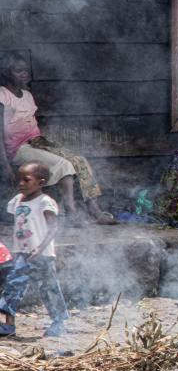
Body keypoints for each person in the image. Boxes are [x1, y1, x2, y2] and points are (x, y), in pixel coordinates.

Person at [0, 53, 114, 224]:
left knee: (79, 160)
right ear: (7, 73)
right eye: (18, 71)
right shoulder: (2, 95)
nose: (24, 74)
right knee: (64, 165)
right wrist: (6, 165)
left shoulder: (27, 95)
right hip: (18, 149)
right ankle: (71, 213)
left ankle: (94, 210)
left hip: (37, 142)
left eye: (25, 70)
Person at [0, 163, 69, 337]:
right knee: (12, 287)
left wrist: (40, 247)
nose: (21, 183)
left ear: (41, 182)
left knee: (49, 288)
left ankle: (58, 322)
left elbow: (53, 228)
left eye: (26, 180)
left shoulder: (45, 202)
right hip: (21, 254)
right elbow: (15, 225)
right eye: (19, 180)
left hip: (42, 255)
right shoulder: (16, 200)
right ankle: (8, 326)